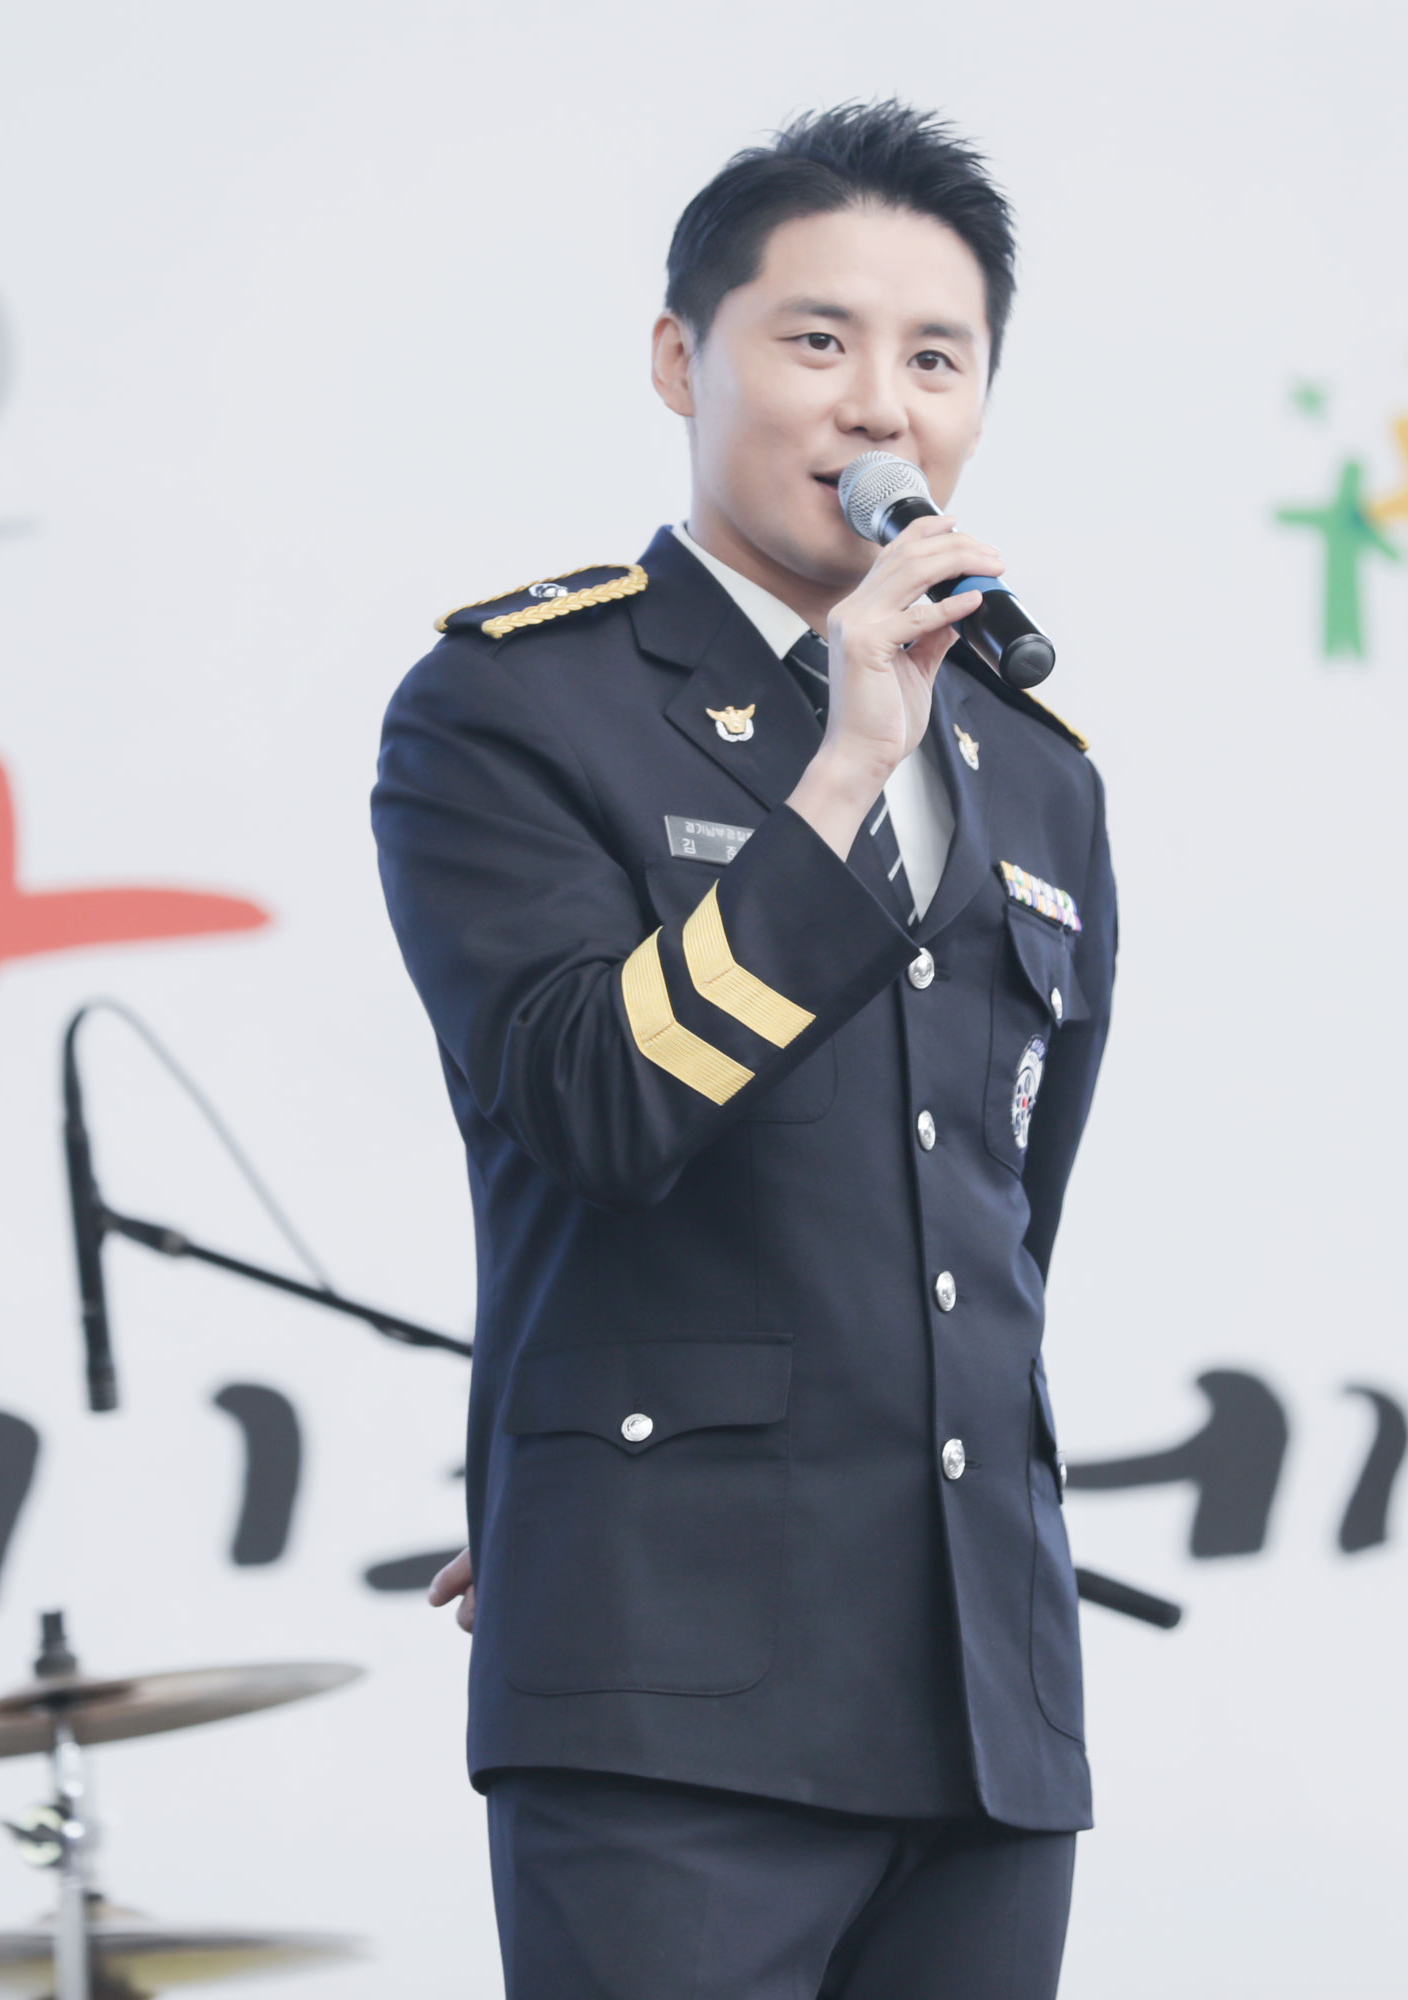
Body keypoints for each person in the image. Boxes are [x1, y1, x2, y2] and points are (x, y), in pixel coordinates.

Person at [370, 100, 1117, 1999]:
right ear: (677, 360)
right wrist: (845, 761)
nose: (880, 407)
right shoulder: (516, 704)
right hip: (668, 1677)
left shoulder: (1036, 767)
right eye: (818, 339)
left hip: (982, 1685)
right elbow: (596, 1109)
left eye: (937, 358)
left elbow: (1001, 1210)